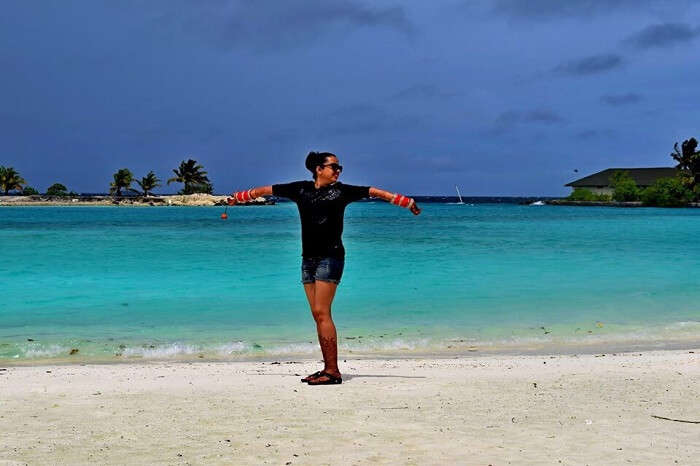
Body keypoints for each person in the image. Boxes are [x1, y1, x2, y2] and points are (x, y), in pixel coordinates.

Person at [228, 151, 420, 385]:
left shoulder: (342, 192)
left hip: (331, 257)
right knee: (317, 315)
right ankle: (328, 368)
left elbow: (374, 192)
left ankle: (332, 371)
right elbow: (263, 191)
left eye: (340, 168)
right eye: (334, 167)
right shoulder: (300, 189)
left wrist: (405, 202)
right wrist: (237, 198)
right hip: (308, 259)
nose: (338, 171)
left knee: (322, 313)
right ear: (318, 169)